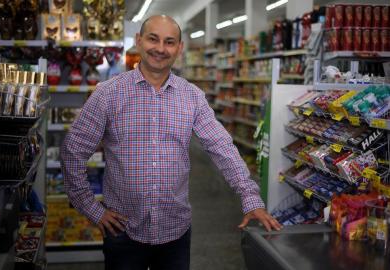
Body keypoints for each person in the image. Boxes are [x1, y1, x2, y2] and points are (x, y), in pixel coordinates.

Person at [61, 15, 282, 270]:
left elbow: (222, 148)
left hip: (175, 231)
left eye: (169, 42)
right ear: (139, 41)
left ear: (179, 48)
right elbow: (73, 151)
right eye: (153, 39)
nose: (160, 49)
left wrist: (250, 197)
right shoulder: (108, 94)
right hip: (123, 230)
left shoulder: (192, 97)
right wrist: (91, 208)